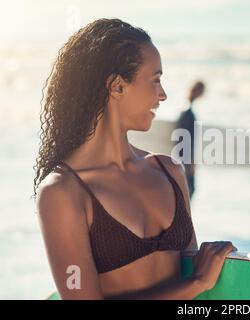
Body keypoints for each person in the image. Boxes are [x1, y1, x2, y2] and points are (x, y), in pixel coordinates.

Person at [32, 19, 236, 300]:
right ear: (117, 87)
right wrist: (196, 283)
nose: (162, 95)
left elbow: (193, 275)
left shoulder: (168, 171)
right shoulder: (63, 192)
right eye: (155, 80)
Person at [176, 81, 205, 199]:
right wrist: (190, 161)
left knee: (187, 191)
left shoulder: (184, 110)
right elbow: (185, 139)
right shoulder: (188, 113)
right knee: (189, 191)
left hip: (182, 157)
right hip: (184, 159)